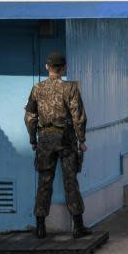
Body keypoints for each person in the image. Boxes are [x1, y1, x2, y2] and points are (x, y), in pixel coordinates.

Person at [24, 51, 89, 239]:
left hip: (44, 139)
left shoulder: (37, 89)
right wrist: (82, 140)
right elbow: (79, 117)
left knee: (44, 181)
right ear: (64, 68)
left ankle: (40, 227)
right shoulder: (70, 88)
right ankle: (77, 226)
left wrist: (32, 140)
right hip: (66, 139)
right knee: (70, 181)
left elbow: (30, 117)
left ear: (47, 67)